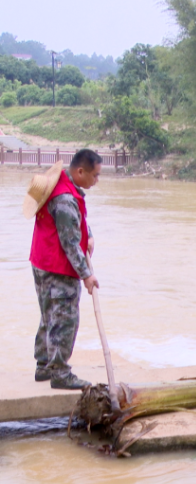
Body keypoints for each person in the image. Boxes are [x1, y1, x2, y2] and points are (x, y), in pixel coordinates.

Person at [25, 150, 102, 389]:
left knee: (49, 313)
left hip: (42, 261)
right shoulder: (65, 199)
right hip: (57, 267)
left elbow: (75, 223)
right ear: (81, 172)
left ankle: (43, 365)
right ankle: (59, 372)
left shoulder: (64, 186)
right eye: (95, 175)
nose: (96, 181)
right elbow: (69, 244)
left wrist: (87, 234)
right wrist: (87, 275)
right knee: (64, 317)